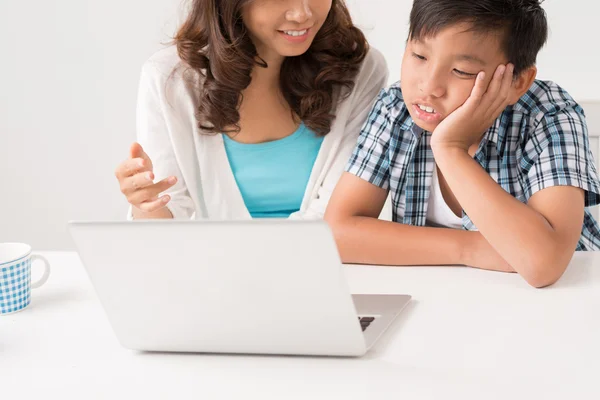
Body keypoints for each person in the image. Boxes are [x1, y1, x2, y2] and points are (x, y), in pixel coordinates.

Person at [324, 0, 600, 288]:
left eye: (462, 71)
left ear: (518, 81)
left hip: (567, 299)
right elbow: (337, 233)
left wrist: (450, 149)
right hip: (446, 296)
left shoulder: (548, 115)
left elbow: (544, 264)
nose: (429, 87)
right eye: (419, 55)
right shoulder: (395, 107)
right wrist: (470, 248)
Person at [114, 0, 388, 220]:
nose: (302, 13)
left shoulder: (359, 70)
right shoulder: (170, 79)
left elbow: (337, 219)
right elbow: (167, 220)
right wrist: (146, 204)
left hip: (323, 269)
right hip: (219, 276)